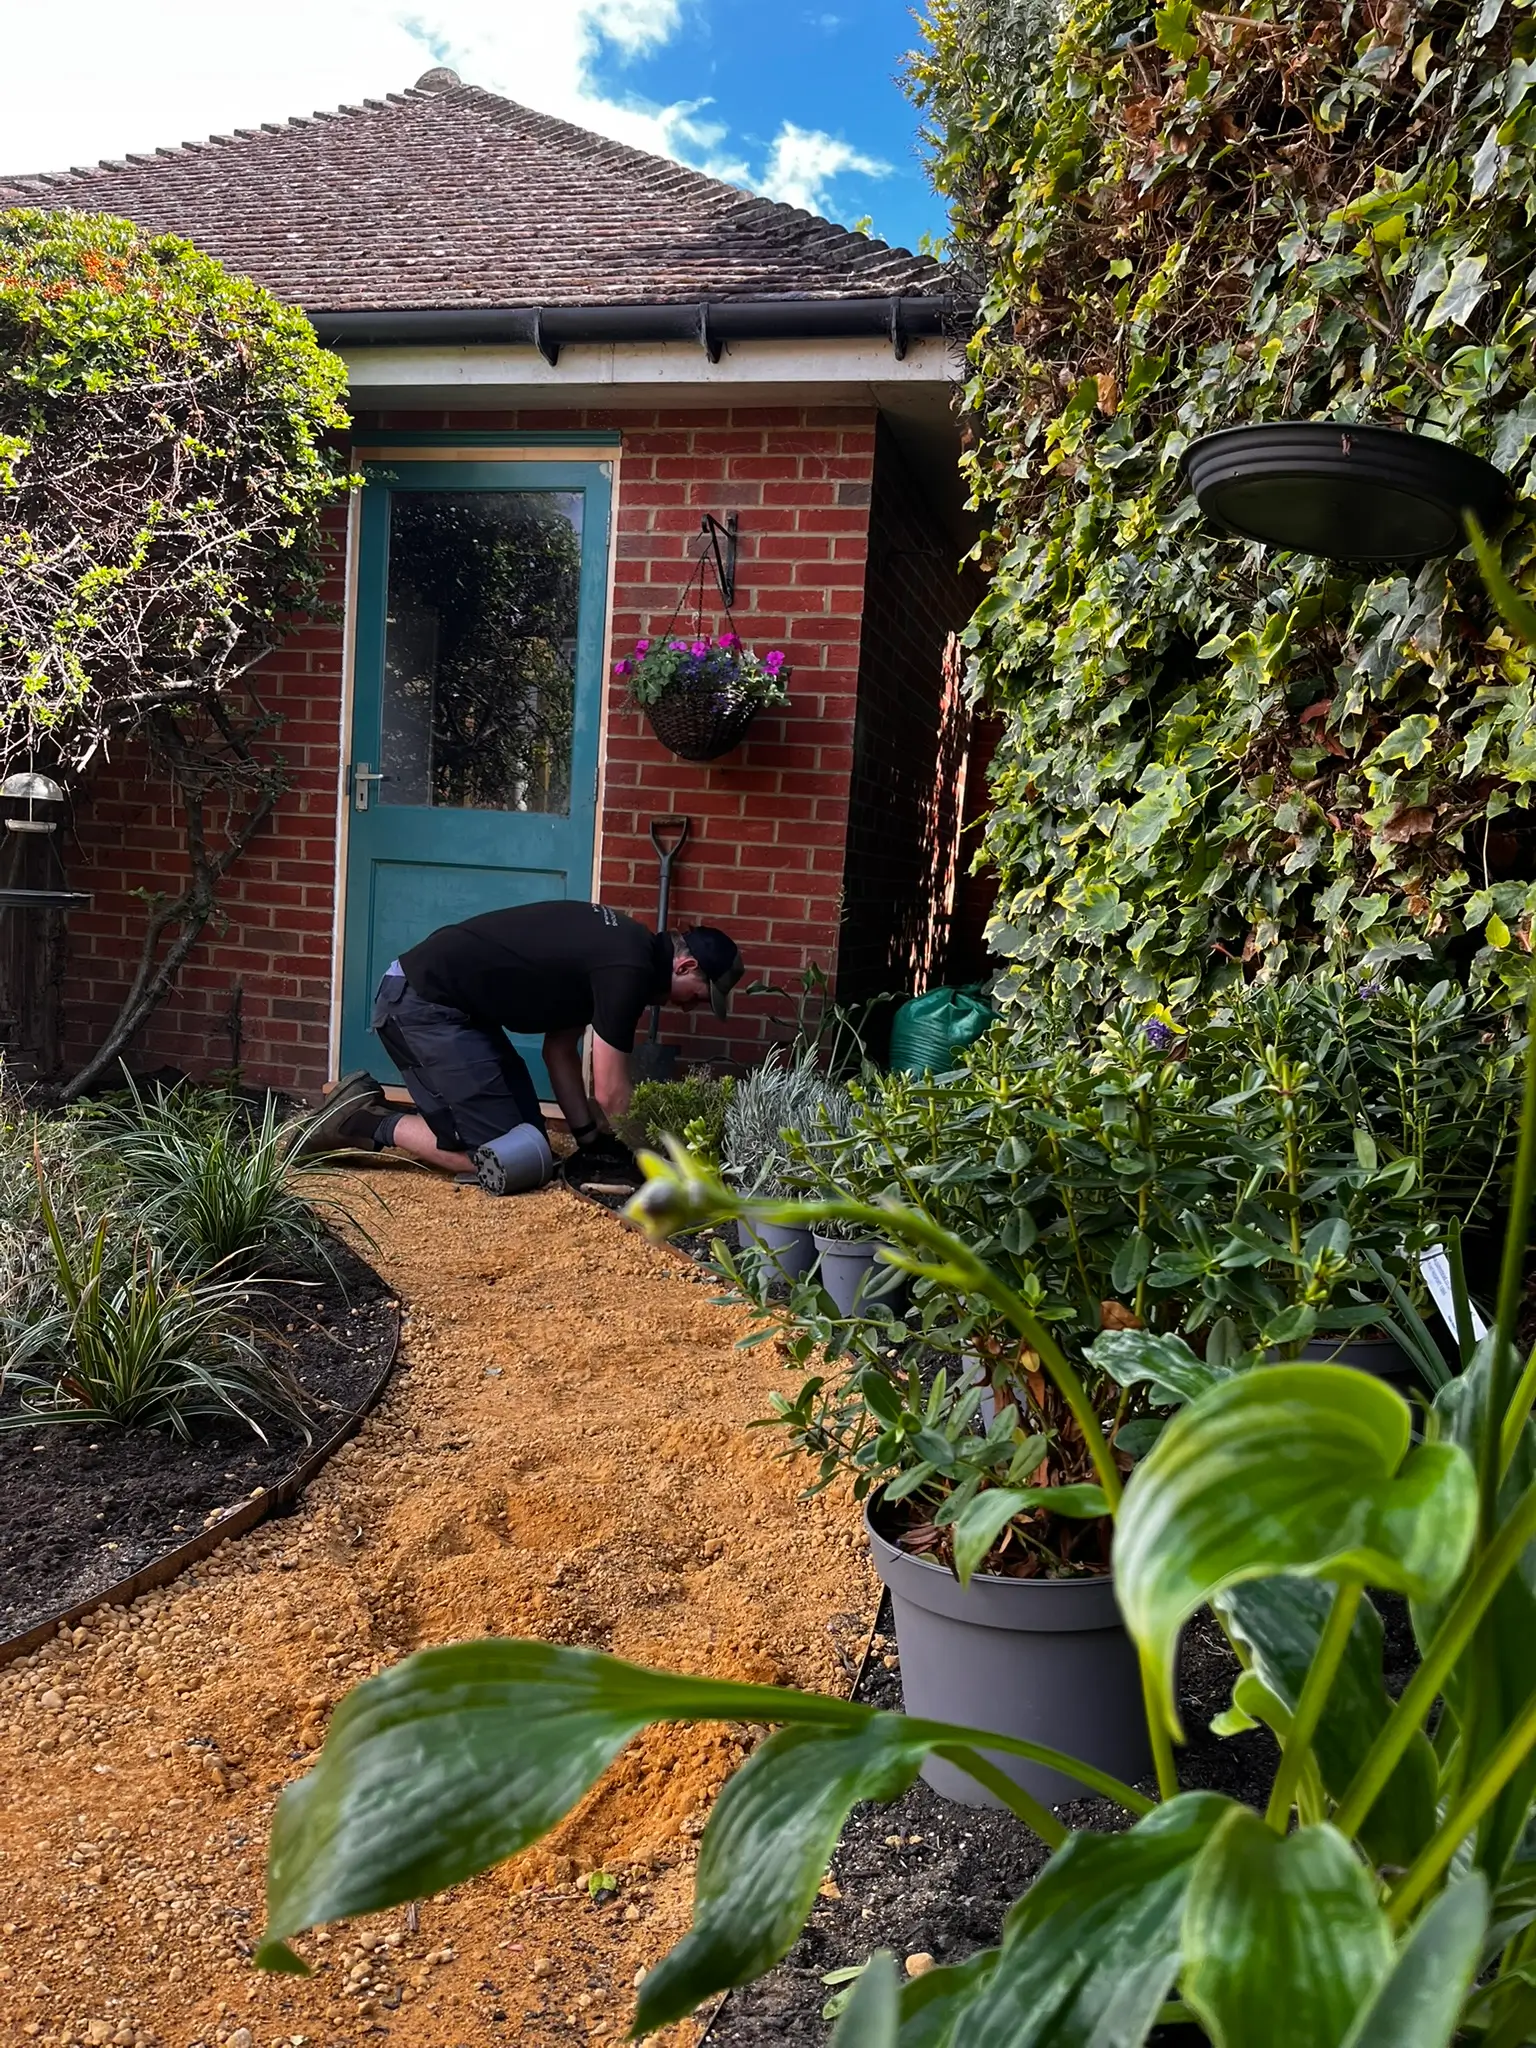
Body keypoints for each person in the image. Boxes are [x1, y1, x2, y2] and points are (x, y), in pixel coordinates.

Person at [307, 900, 743, 1195]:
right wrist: (655, 1163)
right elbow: (611, 1091)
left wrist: (590, 1140)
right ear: (685, 965)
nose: (689, 1007)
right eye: (698, 995)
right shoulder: (627, 968)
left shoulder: (625, 949)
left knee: (532, 1145)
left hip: (458, 1010)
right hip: (421, 1004)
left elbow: (559, 1048)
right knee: (500, 1160)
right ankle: (361, 1119)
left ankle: (367, 1112)